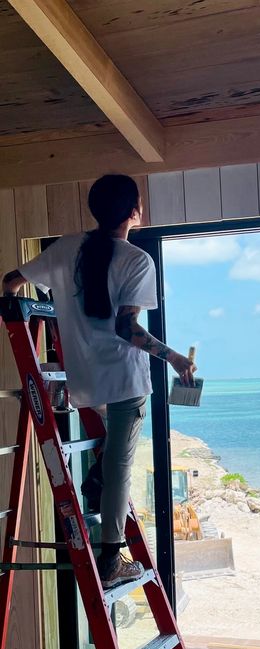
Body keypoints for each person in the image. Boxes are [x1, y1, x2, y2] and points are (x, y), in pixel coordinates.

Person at [2, 174, 196, 588]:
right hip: (125, 383)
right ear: (133, 212)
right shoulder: (136, 260)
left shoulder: (67, 247)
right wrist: (175, 357)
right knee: (122, 463)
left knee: (113, 452)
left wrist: (35, 310)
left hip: (84, 381)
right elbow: (128, 330)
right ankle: (110, 557)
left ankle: (97, 481)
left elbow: (11, 283)